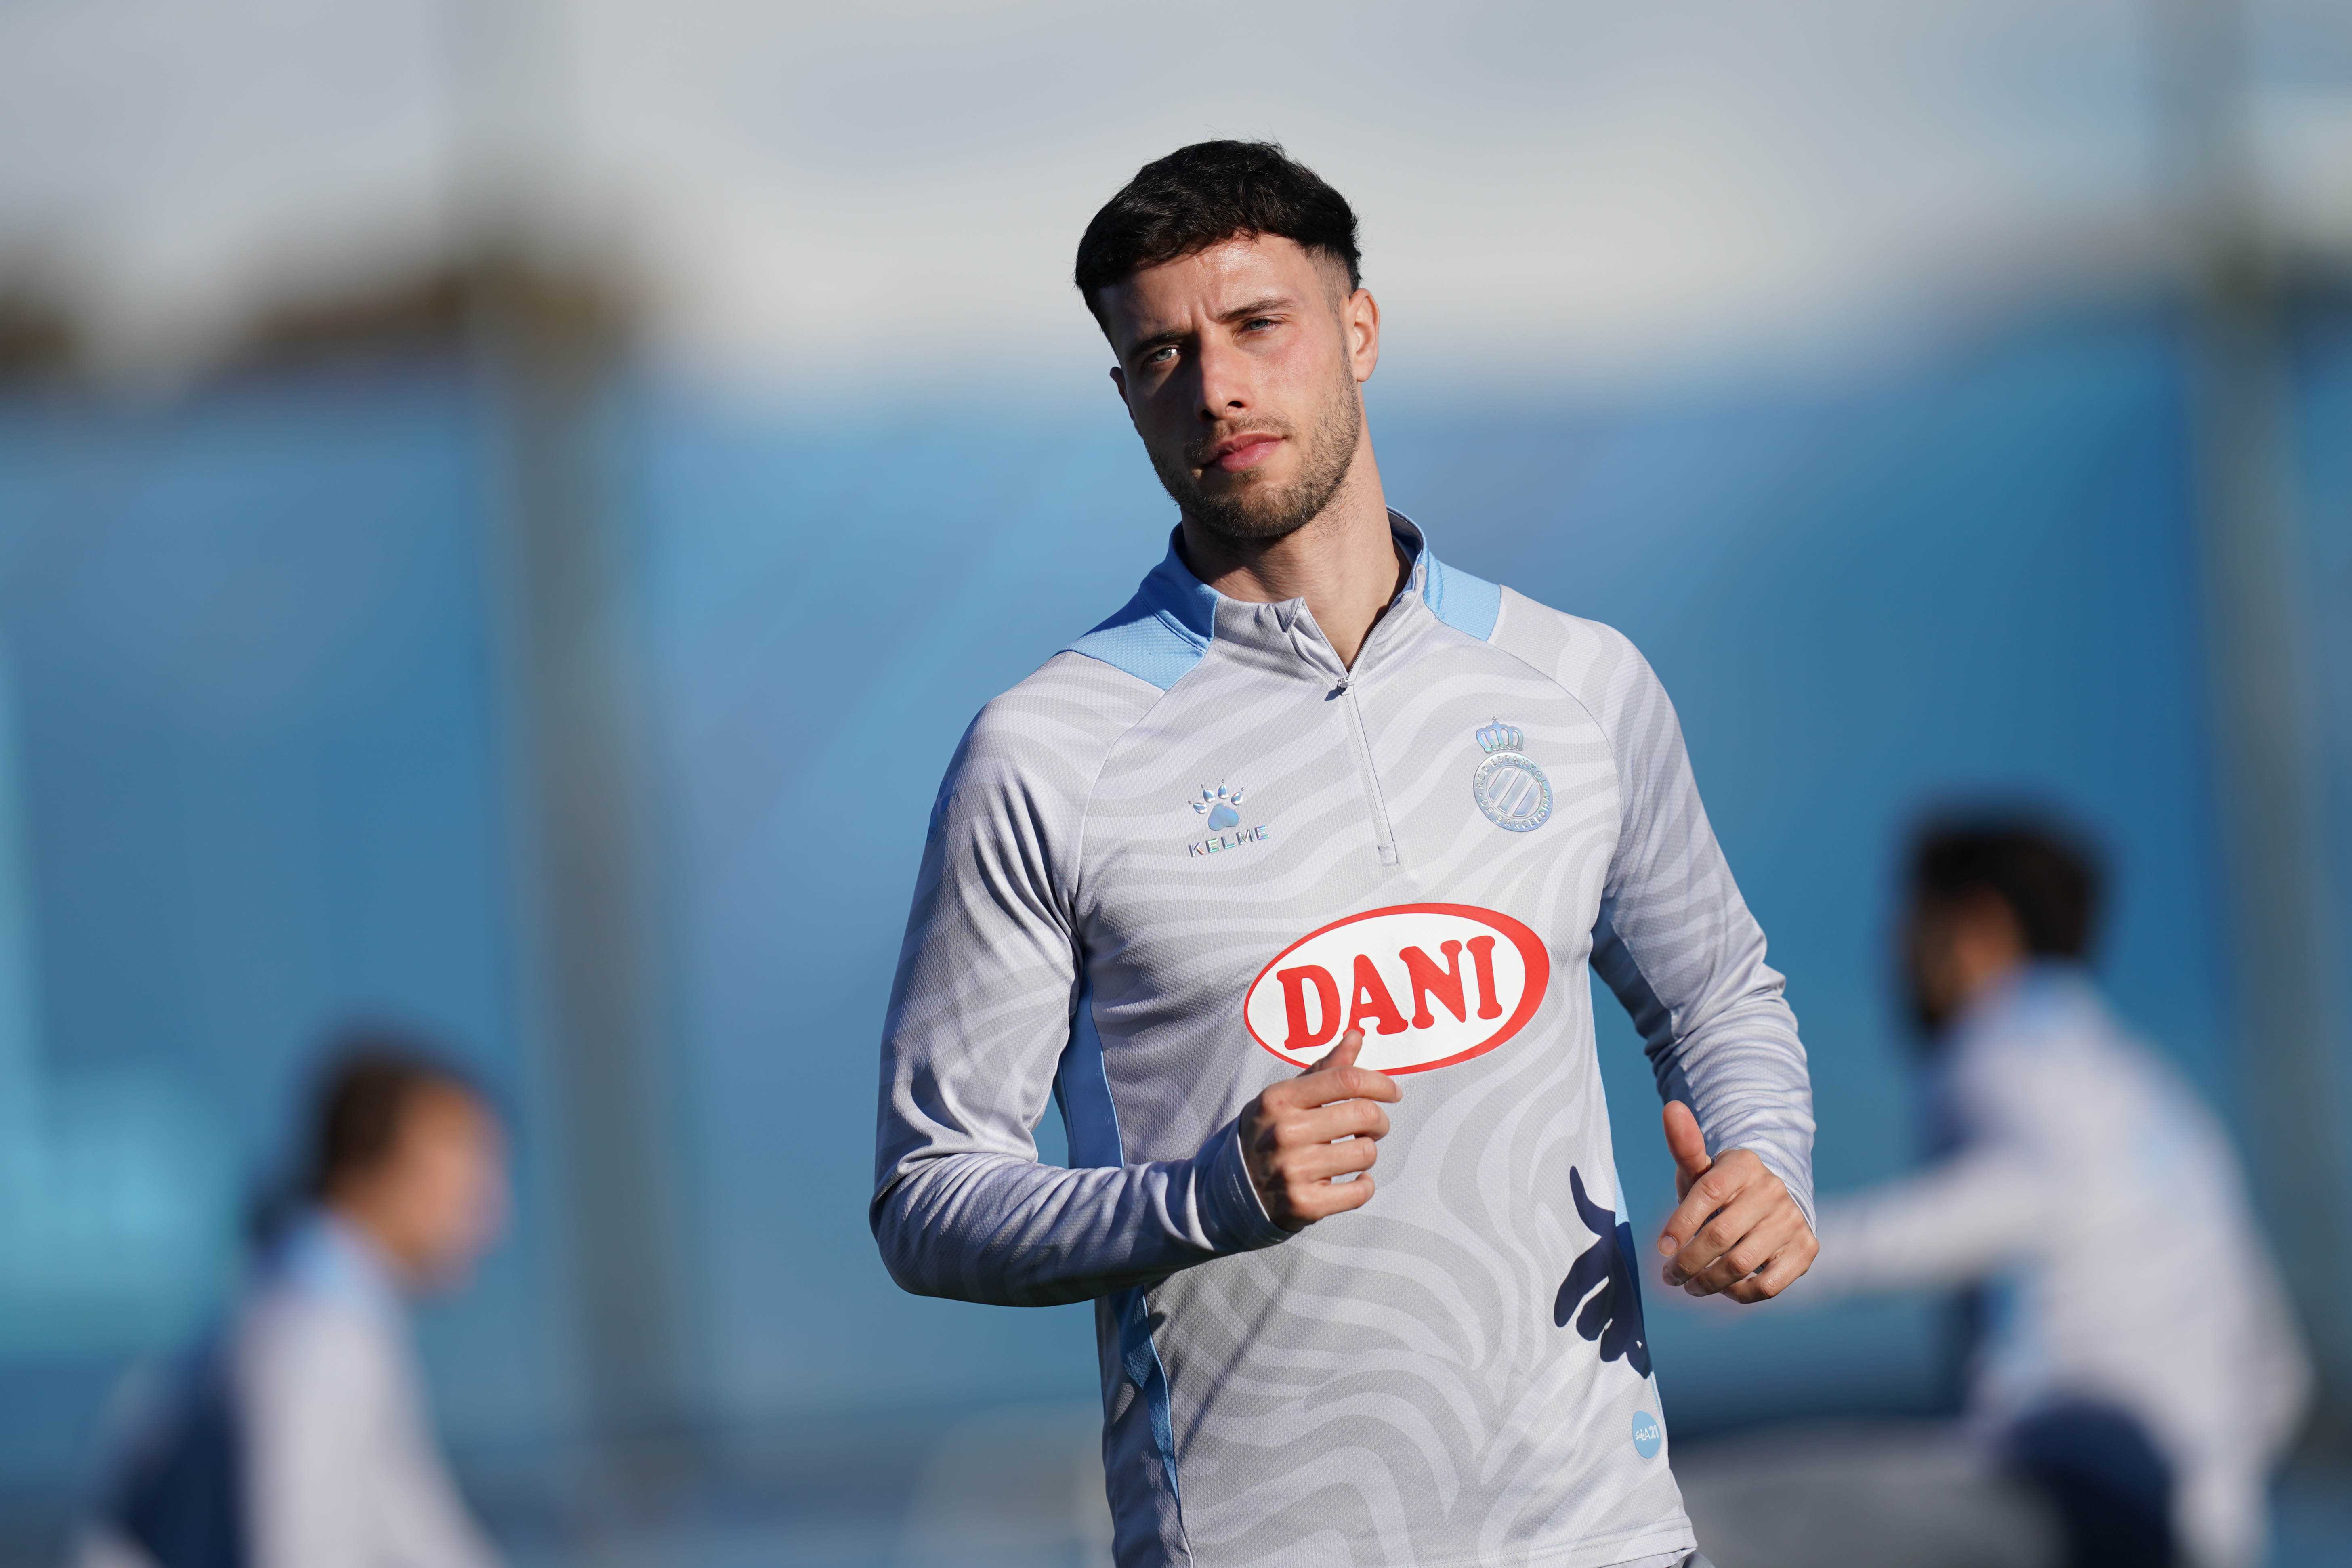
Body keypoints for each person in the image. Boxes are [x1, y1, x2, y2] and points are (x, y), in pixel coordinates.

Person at [871, 140, 1821, 1568]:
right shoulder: (1048, 753)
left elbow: (1719, 998)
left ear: (1359, 329)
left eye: (1259, 324)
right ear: (1126, 392)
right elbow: (929, 1197)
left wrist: (1765, 1163)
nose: (1217, 386)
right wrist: (1201, 1199)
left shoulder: (1577, 682)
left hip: (1607, 1538)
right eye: (1163, 355)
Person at [1676, 818, 2312, 1568]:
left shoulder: (1998, 1045)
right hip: (2207, 1534)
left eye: (1912, 926)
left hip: (2073, 1495)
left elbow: (2019, 1200)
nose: (1896, 955)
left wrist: (1775, 1244)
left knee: (1682, 1521)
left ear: (1976, 928)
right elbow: (2282, 1378)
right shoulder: (2159, 1099)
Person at [76, 1036, 509, 1568]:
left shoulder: (309, 1312)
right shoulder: (313, 1340)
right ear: (373, 1169)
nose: (488, 1210)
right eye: (466, 1171)